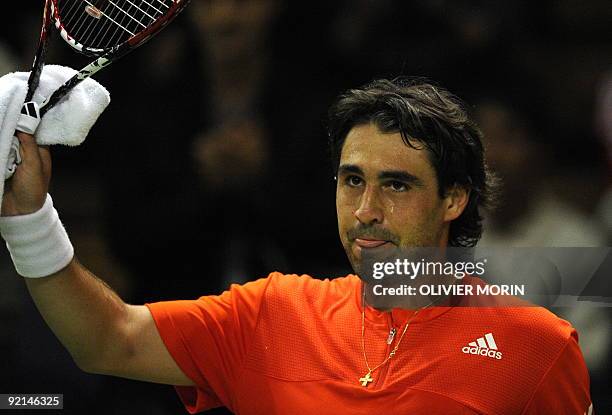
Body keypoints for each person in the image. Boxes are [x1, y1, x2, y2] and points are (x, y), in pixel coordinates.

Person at [0, 79, 593, 414]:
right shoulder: (273, 313)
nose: (365, 211)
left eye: (397, 184)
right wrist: (28, 215)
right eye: (352, 180)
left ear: (455, 199)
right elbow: (108, 340)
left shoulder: (536, 348)